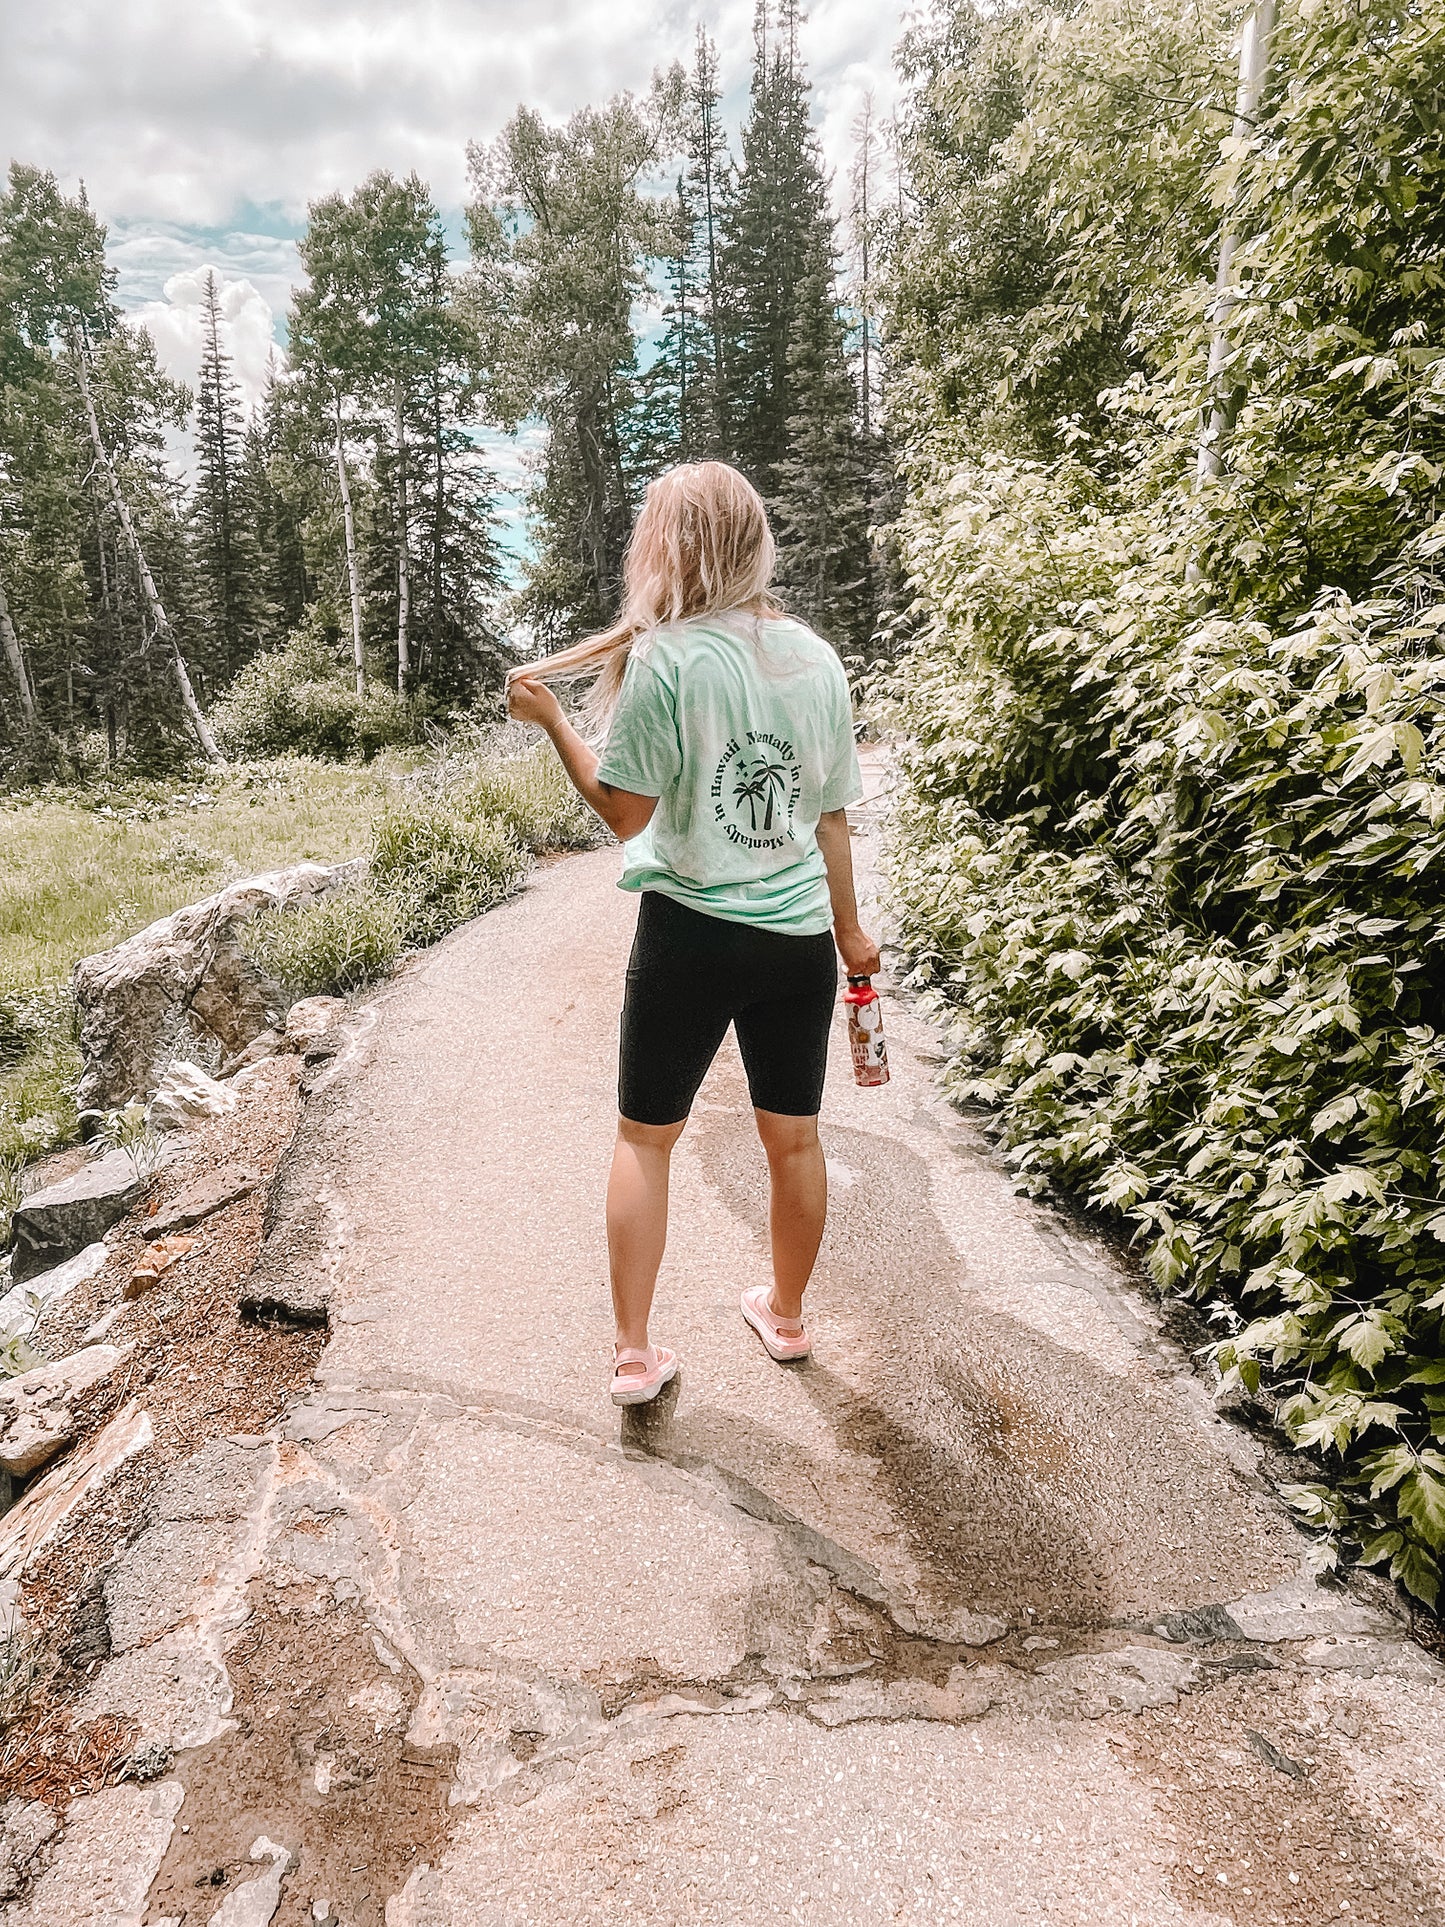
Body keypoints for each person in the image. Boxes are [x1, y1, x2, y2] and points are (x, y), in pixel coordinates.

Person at [506, 461, 880, 1406]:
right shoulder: (818, 658)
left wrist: (553, 721)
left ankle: (634, 1356)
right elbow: (830, 817)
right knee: (794, 1141)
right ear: (753, 542)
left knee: (645, 1140)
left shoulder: (667, 659)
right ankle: (786, 1317)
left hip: (688, 931)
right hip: (795, 936)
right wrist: (851, 933)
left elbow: (623, 813)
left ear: (665, 547)